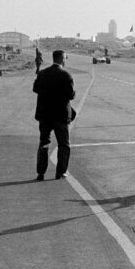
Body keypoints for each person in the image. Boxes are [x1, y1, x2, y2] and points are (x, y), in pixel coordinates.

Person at [33, 50, 75, 180]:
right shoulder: (66, 75)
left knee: (44, 142)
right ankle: (60, 172)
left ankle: (41, 172)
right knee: (63, 144)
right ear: (62, 59)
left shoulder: (43, 73)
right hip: (60, 115)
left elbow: (35, 89)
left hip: (45, 114)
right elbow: (71, 95)